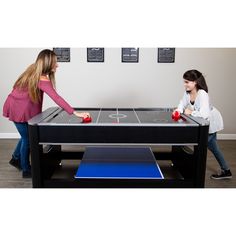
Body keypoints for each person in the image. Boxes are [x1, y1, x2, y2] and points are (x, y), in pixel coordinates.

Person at [3, 49, 90, 178]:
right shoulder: (42, 78)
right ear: (48, 63)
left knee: (25, 136)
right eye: (55, 62)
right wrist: (74, 112)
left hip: (14, 105)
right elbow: (56, 98)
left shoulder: (32, 69)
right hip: (19, 110)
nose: (57, 65)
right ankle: (26, 169)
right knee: (28, 139)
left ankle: (16, 158)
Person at [174, 69, 232, 180]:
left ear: (195, 82)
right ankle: (226, 170)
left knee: (203, 147)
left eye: (187, 82)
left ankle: (197, 174)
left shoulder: (202, 94)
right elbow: (182, 104)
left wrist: (191, 112)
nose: (184, 84)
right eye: (184, 81)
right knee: (213, 147)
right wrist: (178, 110)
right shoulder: (187, 93)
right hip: (204, 122)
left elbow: (204, 114)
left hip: (211, 122)